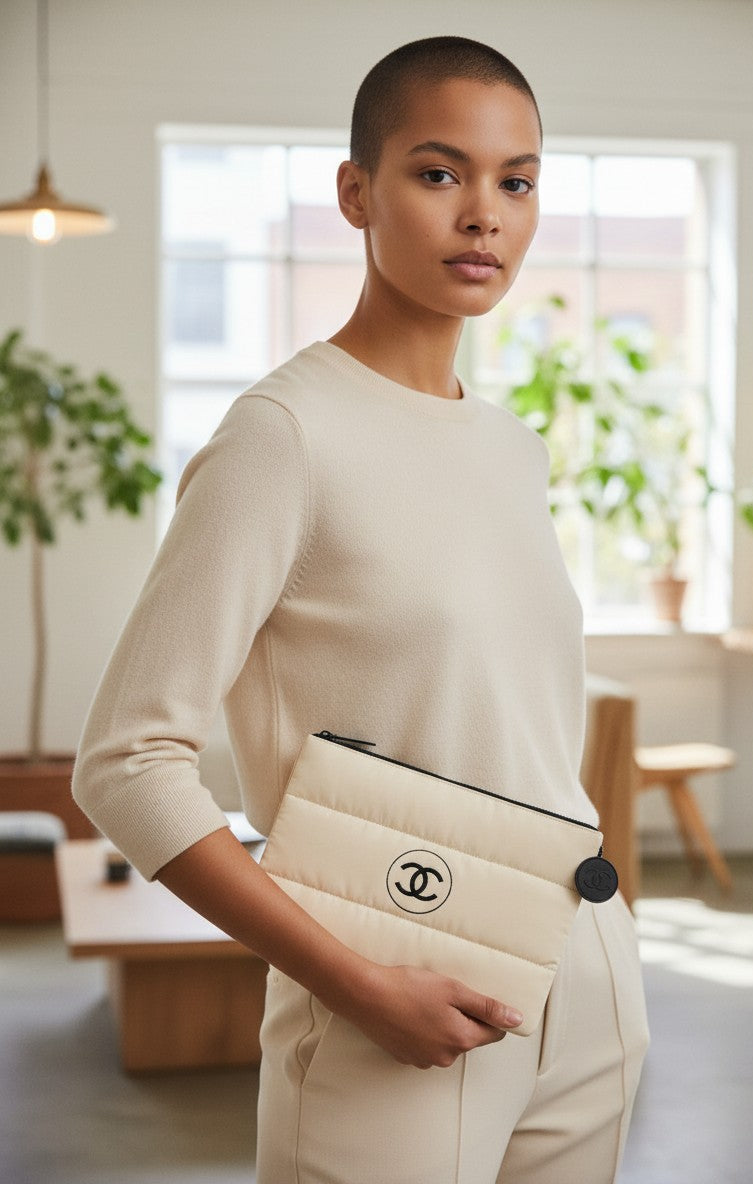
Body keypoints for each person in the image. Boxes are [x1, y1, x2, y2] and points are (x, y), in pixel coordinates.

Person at [73, 35, 649, 1184]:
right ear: (357, 192)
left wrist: (607, 972)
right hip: (396, 989)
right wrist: (359, 984)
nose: (483, 213)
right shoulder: (282, 437)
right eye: (439, 174)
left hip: (589, 982)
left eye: (515, 181)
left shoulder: (513, 445)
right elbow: (126, 761)